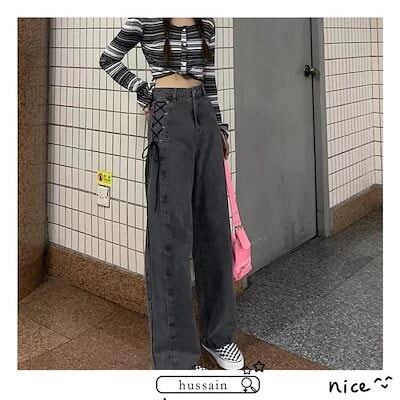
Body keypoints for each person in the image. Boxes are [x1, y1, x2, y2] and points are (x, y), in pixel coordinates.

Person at [99, 17, 244, 370]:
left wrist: (220, 128)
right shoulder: (145, 20)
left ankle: (219, 337)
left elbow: (209, 79)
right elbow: (109, 58)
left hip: (204, 117)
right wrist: (143, 90)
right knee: (170, 234)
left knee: (214, 227)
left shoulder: (206, 22)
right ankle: (176, 358)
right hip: (168, 117)